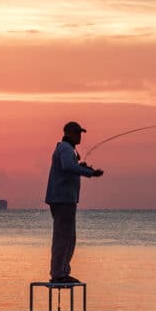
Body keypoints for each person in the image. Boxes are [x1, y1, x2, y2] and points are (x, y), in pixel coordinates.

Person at [45, 121, 103, 284]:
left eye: (80, 133)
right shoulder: (65, 148)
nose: (80, 136)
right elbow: (68, 166)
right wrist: (89, 172)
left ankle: (63, 270)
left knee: (69, 237)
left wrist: (82, 168)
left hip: (66, 199)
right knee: (63, 237)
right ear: (69, 133)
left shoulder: (67, 149)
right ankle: (58, 274)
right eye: (77, 133)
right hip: (62, 199)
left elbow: (70, 166)